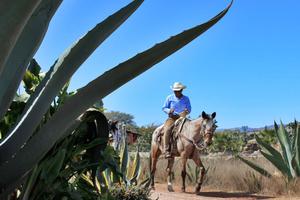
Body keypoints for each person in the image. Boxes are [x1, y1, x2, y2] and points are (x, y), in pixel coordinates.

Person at [162, 82, 191, 158]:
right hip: (172, 118)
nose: (176, 92)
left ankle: (192, 148)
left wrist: (186, 111)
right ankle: (166, 149)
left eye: (177, 91)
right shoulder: (169, 97)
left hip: (183, 118)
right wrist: (169, 111)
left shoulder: (186, 98)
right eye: (174, 91)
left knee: (192, 129)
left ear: (181, 90)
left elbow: (189, 109)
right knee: (167, 129)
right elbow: (164, 107)